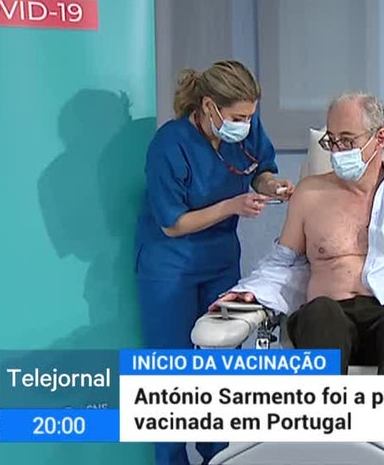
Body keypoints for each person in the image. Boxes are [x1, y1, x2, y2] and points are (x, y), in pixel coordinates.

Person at [210, 91, 384, 375]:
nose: (337, 151)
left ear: (380, 139)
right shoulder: (309, 194)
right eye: (332, 141)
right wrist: (251, 291)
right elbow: (282, 263)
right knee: (321, 312)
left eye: (347, 141)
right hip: (327, 318)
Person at [134, 60, 293, 465]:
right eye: (238, 117)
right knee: (170, 379)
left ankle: (220, 457)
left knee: (220, 371)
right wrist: (232, 206)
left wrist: (271, 185)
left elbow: (259, 168)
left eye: (250, 116)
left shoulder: (244, 127)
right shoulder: (168, 145)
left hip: (220, 261)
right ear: (209, 107)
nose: (246, 124)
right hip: (170, 267)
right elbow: (172, 224)